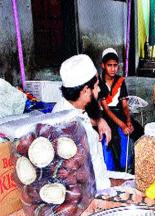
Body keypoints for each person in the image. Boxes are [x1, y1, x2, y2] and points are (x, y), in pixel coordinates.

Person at [53, 54, 111, 191]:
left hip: (101, 187)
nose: (99, 90)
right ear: (85, 90)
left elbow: (86, 114)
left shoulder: (74, 104)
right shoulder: (65, 125)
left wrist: (99, 120)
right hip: (88, 198)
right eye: (96, 86)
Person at [98, 48, 143, 172]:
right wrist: (123, 125)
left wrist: (128, 120)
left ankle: (133, 164)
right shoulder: (98, 83)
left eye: (115, 65)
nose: (113, 69)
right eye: (109, 65)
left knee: (139, 131)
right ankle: (116, 167)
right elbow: (106, 109)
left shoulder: (120, 81)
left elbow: (124, 105)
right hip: (105, 115)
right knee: (113, 137)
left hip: (120, 112)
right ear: (103, 66)